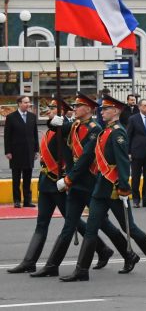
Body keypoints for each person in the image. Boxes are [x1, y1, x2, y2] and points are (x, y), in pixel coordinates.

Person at [59, 94, 146, 282]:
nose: (102, 111)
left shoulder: (118, 132)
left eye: (106, 109)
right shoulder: (105, 131)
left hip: (115, 190)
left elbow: (123, 163)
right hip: (101, 188)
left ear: (116, 111)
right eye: (101, 109)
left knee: (130, 228)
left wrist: (125, 188)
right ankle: (81, 270)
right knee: (91, 229)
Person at [31, 93, 137, 279]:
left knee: (102, 224)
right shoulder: (74, 125)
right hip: (76, 185)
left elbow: (86, 157)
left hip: (89, 183)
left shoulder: (95, 129)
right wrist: (52, 122)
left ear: (88, 109)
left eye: (78, 105)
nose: (74, 108)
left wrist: (69, 179)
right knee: (69, 225)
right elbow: (59, 131)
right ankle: (52, 265)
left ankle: (128, 255)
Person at [7, 99, 86, 274]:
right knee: (41, 223)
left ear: (62, 111)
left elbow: (71, 151)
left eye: (52, 108)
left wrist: (63, 123)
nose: (48, 110)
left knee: (72, 221)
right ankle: (29, 261)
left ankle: (101, 248)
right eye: (49, 107)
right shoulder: (53, 127)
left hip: (58, 183)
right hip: (46, 182)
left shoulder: (67, 128)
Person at [4, 95, 39, 208]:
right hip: (16, 152)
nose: (28, 104)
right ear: (19, 103)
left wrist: (36, 150)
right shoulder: (11, 117)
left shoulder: (32, 117)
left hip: (29, 152)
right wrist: (8, 151)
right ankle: (17, 201)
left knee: (28, 177)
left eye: (28, 102)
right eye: (25, 102)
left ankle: (27, 201)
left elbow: (35, 135)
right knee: (16, 178)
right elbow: (7, 136)